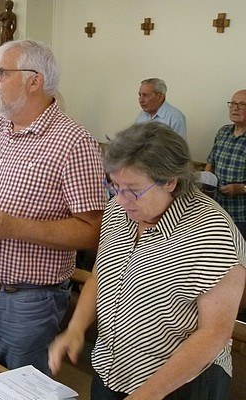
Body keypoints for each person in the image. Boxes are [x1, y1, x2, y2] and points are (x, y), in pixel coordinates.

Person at [0, 40, 106, 374]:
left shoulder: (74, 142)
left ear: (34, 81)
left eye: (1, 72)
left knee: (22, 390)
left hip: (28, 301)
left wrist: (16, 227)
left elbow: (93, 231)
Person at [49, 122, 246, 399]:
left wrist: (148, 394)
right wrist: (76, 328)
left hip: (177, 384)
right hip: (112, 369)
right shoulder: (119, 210)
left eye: (133, 189)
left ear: (170, 182)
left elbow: (214, 333)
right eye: (114, 185)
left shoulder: (212, 232)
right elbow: (99, 275)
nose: (121, 199)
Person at [205, 89, 246, 239]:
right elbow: (211, 163)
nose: (235, 108)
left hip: (240, 216)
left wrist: (241, 188)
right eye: (233, 104)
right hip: (217, 210)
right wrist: (205, 183)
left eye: (241, 104)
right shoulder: (223, 132)